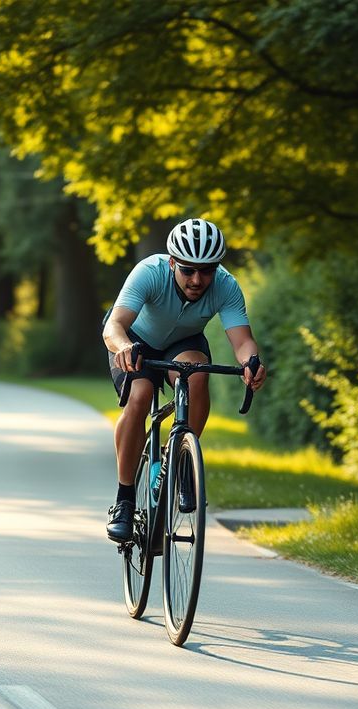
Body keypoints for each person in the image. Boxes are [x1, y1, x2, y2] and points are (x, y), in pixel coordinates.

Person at [101, 217, 267, 542]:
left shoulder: (226, 285)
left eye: (206, 271)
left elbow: (242, 340)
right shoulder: (150, 272)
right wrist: (122, 348)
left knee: (197, 374)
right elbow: (115, 326)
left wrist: (251, 363)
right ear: (173, 261)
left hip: (183, 342)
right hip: (134, 339)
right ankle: (124, 500)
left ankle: (181, 458)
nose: (196, 279)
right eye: (188, 269)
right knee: (140, 392)